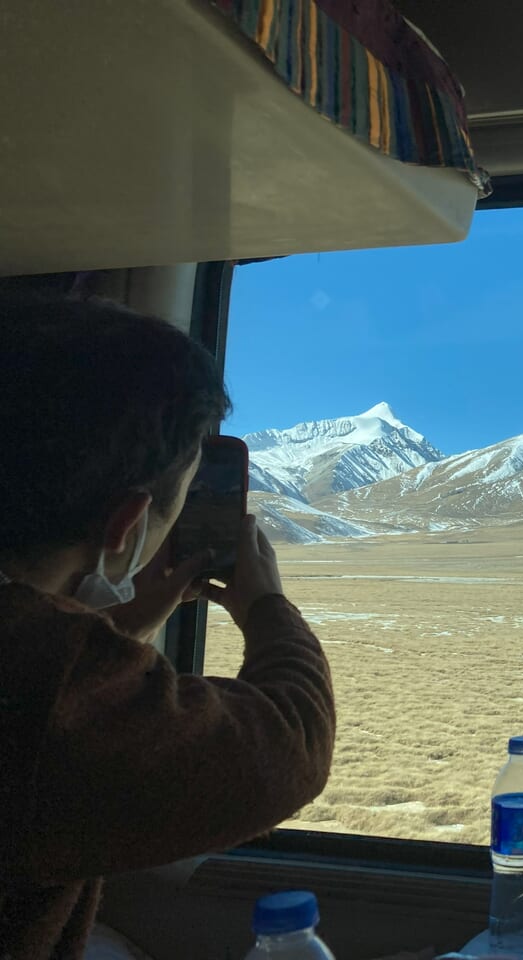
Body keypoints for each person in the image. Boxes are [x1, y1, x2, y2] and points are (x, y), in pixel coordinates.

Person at [0, 294, 336, 959]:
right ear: (124, 526)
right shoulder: (47, 677)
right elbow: (289, 742)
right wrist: (267, 606)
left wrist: (125, 623)